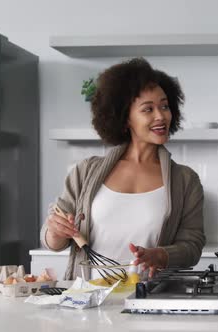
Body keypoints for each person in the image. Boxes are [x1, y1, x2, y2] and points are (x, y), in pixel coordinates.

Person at [40, 58, 205, 280]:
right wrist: (55, 231)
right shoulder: (85, 172)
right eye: (148, 109)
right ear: (125, 118)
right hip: (88, 302)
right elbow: (52, 243)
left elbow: (192, 246)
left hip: (149, 301)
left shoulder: (185, 180)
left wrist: (162, 255)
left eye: (164, 106)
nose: (161, 116)